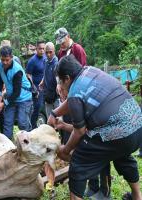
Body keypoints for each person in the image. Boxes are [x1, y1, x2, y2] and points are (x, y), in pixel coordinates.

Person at [48, 55, 142, 200]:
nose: (60, 85)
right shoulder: (90, 71)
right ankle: (137, 197)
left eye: (60, 81)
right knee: (122, 156)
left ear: (66, 78)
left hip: (116, 133)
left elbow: (80, 131)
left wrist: (65, 150)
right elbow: (76, 101)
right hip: (136, 127)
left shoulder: (74, 92)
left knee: (78, 163)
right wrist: (55, 113)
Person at [55, 28, 110, 198]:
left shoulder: (78, 49)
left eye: (63, 40)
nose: (62, 44)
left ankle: (104, 188)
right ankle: (92, 185)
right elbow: (61, 75)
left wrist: (71, 92)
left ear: (68, 37)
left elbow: (82, 74)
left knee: (96, 143)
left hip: (83, 98)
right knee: (84, 143)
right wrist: (61, 87)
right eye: (59, 42)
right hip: (71, 97)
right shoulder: (61, 52)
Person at [0, 46, 33, 139]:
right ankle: (8, 146)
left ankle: (28, 141)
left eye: (7, 60)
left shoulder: (17, 70)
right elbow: (0, 81)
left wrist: (3, 103)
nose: (4, 62)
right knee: (7, 123)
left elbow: (16, 92)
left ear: (12, 57)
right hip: (10, 97)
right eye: (2, 60)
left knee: (22, 123)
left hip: (23, 98)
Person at [26, 41, 46, 129]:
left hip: (47, 88)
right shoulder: (32, 61)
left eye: (43, 48)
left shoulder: (46, 57)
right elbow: (28, 75)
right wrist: (34, 88)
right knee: (37, 109)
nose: (42, 50)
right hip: (37, 90)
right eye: (40, 48)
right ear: (36, 49)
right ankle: (32, 128)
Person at [39, 42, 59, 117]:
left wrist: (59, 86)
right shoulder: (45, 61)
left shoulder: (57, 63)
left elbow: (58, 77)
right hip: (47, 94)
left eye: (50, 52)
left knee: (58, 120)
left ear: (54, 51)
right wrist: (42, 81)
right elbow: (45, 72)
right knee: (50, 120)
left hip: (56, 96)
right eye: (46, 52)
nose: (48, 54)